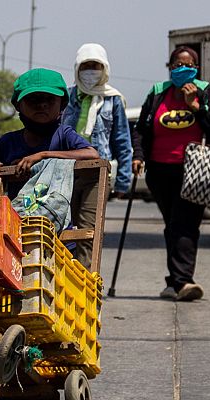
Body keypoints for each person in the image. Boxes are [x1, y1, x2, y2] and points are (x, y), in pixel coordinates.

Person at [131, 46, 210, 302]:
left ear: (196, 69)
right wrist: (138, 155)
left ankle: (183, 281)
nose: (181, 69)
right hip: (160, 171)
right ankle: (174, 281)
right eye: (176, 65)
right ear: (169, 67)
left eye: (188, 64)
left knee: (184, 224)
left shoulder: (204, 90)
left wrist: (195, 107)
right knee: (173, 225)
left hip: (194, 170)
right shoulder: (157, 92)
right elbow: (141, 129)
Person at [62, 43, 132, 267]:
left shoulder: (113, 100)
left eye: (96, 66)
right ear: (77, 68)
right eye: (86, 66)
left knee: (88, 229)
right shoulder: (67, 97)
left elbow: (122, 140)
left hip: (97, 172)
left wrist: (123, 180)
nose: (90, 71)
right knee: (62, 227)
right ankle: (63, 277)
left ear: (105, 69)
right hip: (65, 169)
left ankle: (85, 282)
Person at [0, 68, 99, 199]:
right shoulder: (6, 142)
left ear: (62, 104)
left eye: (50, 99)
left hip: (57, 217)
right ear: (18, 105)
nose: (42, 105)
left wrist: (43, 156)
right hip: (16, 217)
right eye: (33, 99)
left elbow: (92, 154)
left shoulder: (64, 135)